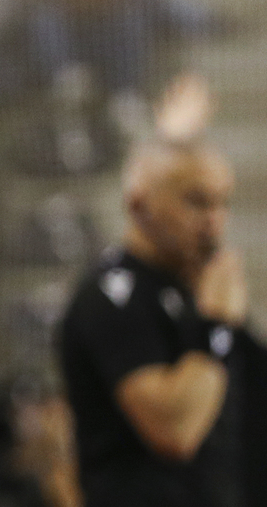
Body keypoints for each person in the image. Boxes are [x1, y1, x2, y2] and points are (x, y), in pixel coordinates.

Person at [57, 138, 254, 506]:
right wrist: (218, 326)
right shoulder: (113, 296)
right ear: (138, 204)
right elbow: (175, 431)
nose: (214, 220)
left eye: (222, 203)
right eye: (196, 201)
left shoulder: (193, 288)